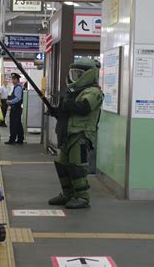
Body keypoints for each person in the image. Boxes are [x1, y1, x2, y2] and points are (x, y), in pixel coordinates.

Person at [48, 58, 103, 209]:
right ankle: (68, 194)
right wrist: (56, 111)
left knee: (77, 166)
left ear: (89, 75)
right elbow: (68, 111)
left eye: (79, 74)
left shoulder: (94, 92)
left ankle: (82, 197)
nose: (76, 77)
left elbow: (84, 107)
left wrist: (65, 105)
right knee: (63, 164)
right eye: (74, 73)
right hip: (67, 133)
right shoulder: (72, 92)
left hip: (81, 135)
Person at [5, 73, 24, 144]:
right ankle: (20, 139)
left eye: (14, 79)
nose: (13, 80)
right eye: (12, 79)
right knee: (18, 124)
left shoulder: (18, 87)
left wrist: (10, 101)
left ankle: (12, 139)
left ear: (17, 79)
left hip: (16, 108)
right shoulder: (16, 87)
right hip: (16, 108)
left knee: (13, 124)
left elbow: (18, 98)